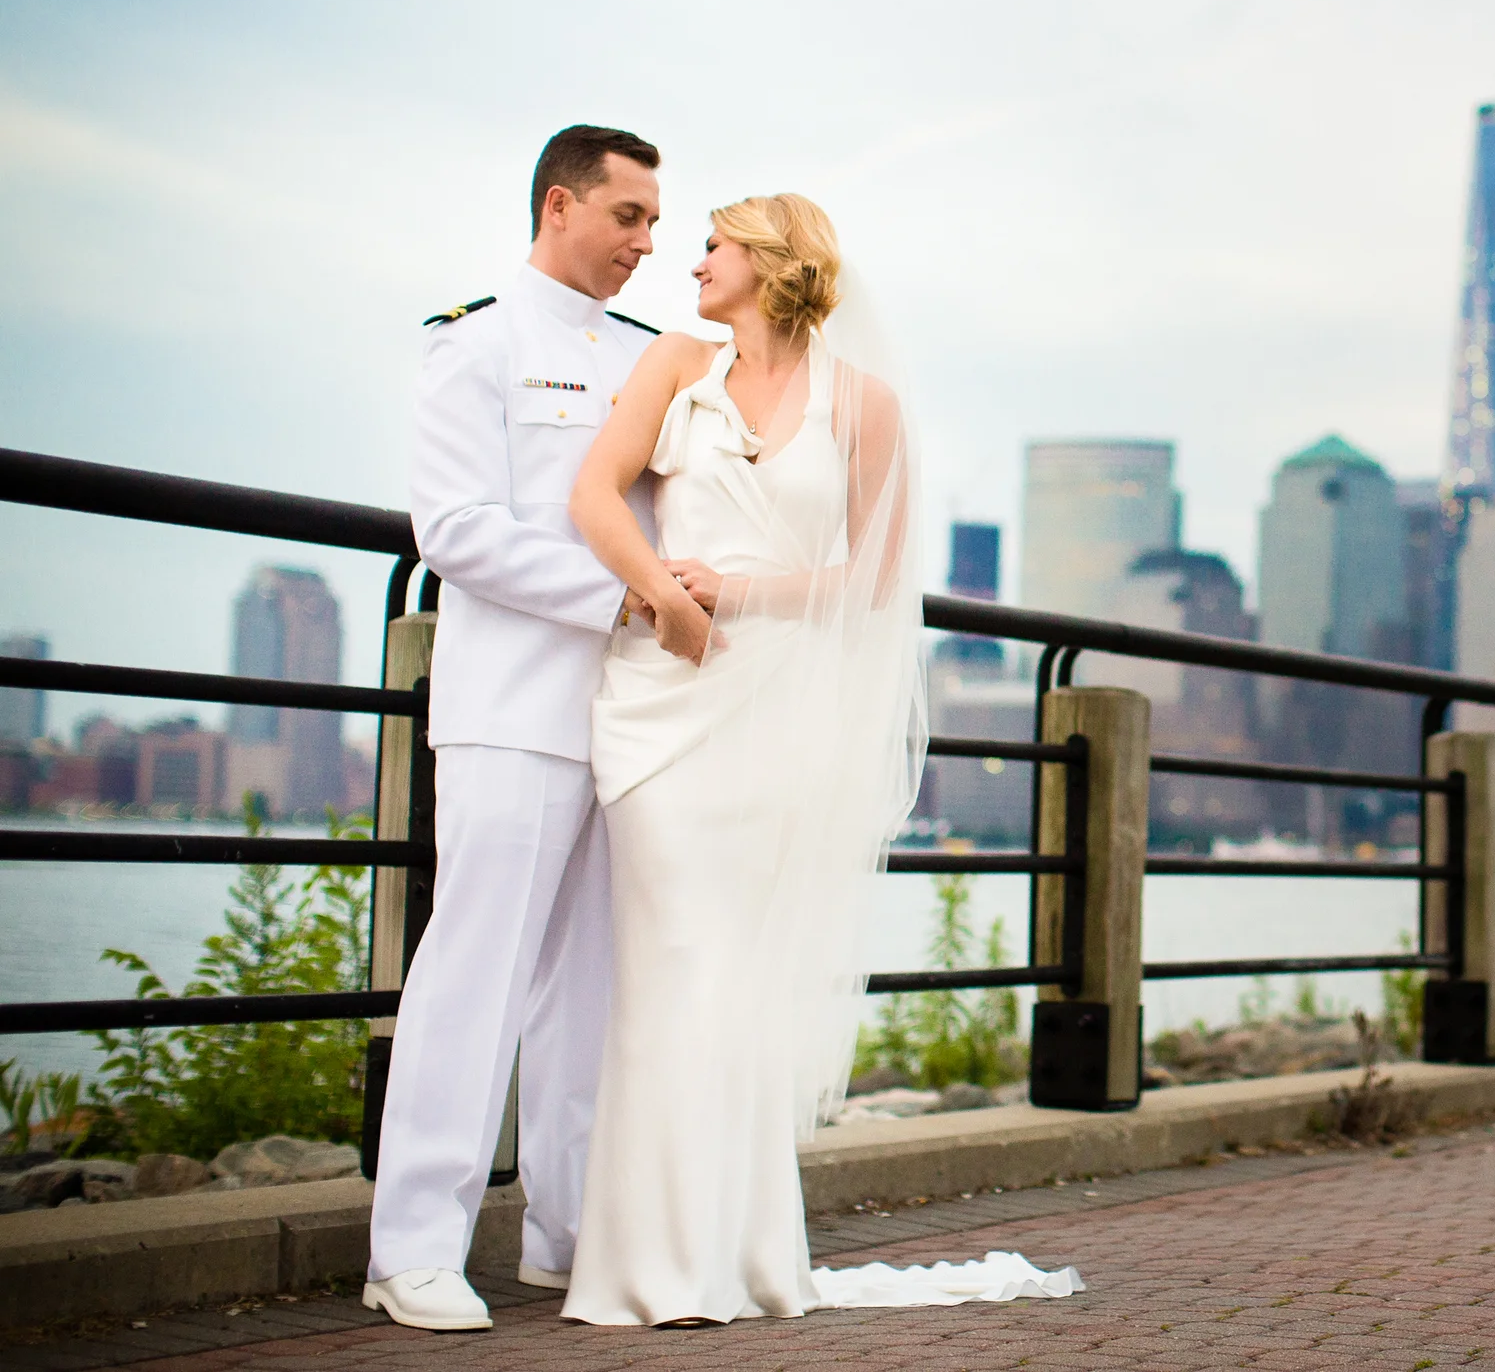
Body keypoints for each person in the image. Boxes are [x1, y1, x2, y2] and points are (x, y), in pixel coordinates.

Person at [561, 191, 1080, 1326]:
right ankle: (644, 1264)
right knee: (670, 962)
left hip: (781, 710)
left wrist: (741, 590)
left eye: (711, 243)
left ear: (770, 257)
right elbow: (593, 497)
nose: (689, 260)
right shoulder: (675, 366)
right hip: (662, 702)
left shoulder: (867, 404)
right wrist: (669, 600)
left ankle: (733, 1257)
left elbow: (877, 584)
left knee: (734, 973)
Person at [365, 125, 666, 1331]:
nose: (648, 243)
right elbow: (458, 530)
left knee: (593, 987)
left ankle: (566, 1230)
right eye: (629, 216)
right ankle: (412, 1247)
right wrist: (627, 594)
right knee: (473, 976)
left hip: (631, 718)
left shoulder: (653, 357)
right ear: (559, 205)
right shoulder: (475, 343)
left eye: (656, 222)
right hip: (514, 709)